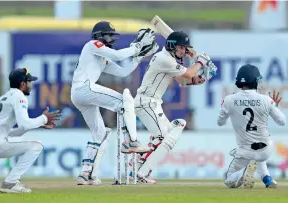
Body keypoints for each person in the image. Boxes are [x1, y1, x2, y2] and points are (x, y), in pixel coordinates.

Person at [71, 21, 159, 185]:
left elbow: (123, 72)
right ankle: (132, 140)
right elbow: (119, 56)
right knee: (124, 101)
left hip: (79, 94)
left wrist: (138, 56)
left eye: (113, 36)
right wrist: (137, 45)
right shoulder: (93, 45)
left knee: (100, 134)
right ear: (99, 36)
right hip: (84, 88)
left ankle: (85, 174)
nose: (112, 39)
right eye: (109, 35)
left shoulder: (101, 56)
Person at [130, 31, 217, 184]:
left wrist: (204, 76)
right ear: (171, 46)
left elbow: (183, 81)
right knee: (162, 137)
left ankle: (139, 164)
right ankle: (139, 170)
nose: (183, 52)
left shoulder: (168, 60)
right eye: (181, 48)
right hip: (146, 102)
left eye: (185, 49)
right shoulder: (164, 59)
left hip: (153, 103)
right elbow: (190, 73)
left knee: (170, 134)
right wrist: (201, 62)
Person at [218, 64, 285, 188]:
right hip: (266, 149)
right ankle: (267, 179)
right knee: (258, 154)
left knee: (230, 180)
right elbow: (282, 121)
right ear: (255, 81)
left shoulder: (229, 100)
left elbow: (220, 122)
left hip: (245, 152)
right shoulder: (266, 99)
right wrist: (274, 106)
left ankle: (243, 173)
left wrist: (226, 108)